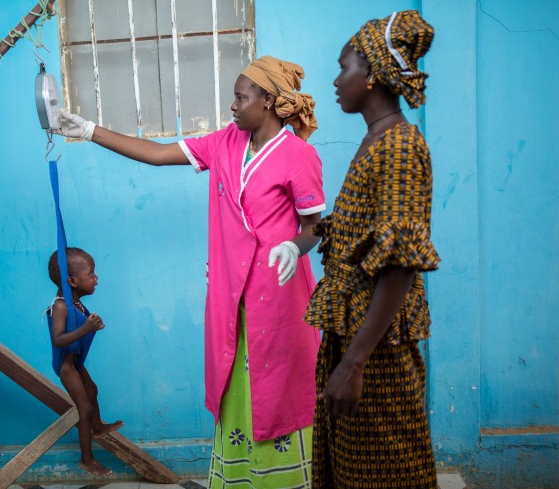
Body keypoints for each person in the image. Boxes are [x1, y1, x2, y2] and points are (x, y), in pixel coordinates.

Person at [57, 56, 325, 488]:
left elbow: (316, 225)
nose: (233, 107)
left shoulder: (298, 155)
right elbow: (157, 154)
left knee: (280, 388)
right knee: (236, 382)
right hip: (230, 294)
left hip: (278, 295)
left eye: (241, 97)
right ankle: (238, 479)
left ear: (271, 101)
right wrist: (89, 131)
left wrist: (296, 245)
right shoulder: (224, 143)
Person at [304, 10, 440, 489]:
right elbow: (352, 232)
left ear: (373, 74)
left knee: (388, 471)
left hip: (377, 346)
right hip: (355, 332)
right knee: (351, 468)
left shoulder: (400, 146)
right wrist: (295, 242)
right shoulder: (375, 140)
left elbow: (400, 264)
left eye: (345, 67)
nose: (337, 79)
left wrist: (354, 361)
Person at [46, 247, 123, 477]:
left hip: (75, 361)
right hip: (66, 366)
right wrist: (87, 327)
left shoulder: (76, 304)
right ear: (72, 281)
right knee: (85, 409)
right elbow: (59, 340)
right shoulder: (60, 306)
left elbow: (81, 327)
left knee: (93, 390)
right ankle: (86, 459)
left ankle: (97, 429)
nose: (96, 278)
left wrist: (93, 325)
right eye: (91, 273)